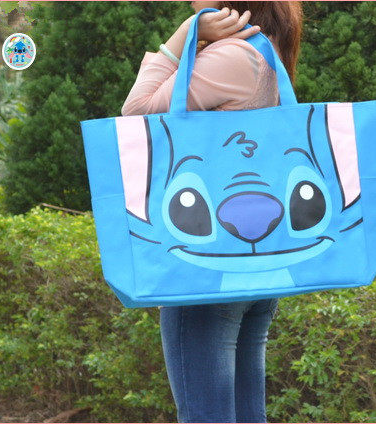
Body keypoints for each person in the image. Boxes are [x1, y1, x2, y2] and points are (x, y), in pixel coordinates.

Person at [121, 1, 303, 422]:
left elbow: (136, 112)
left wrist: (183, 35)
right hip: (255, 259)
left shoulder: (232, 55)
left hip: (208, 262)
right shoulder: (264, 49)